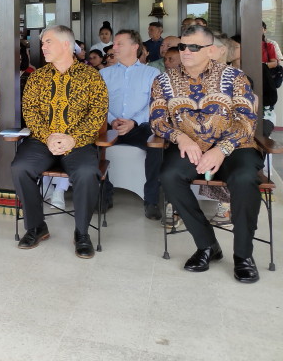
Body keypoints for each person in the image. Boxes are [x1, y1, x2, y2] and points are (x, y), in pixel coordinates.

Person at [151, 25, 263, 283]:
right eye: (182, 46)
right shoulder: (163, 80)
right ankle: (207, 245)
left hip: (235, 147)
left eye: (194, 47)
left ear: (211, 50)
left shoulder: (234, 77)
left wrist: (221, 149)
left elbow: (247, 120)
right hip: (189, 146)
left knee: (244, 178)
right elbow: (157, 120)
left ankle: (243, 255)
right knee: (169, 176)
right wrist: (180, 138)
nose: (186, 51)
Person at [11, 25, 108, 259]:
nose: (43, 47)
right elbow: (30, 111)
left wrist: (73, 138)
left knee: (87, 173)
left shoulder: (91, 76)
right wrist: (49, 136)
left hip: (78, 142)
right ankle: (36, 227)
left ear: (66, 44)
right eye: (42, 43)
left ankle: (82, 233)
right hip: (42, 140)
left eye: (48, 42)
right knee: (20, 167)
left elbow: (98, 113)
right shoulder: (38, 77)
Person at [100, 30, 162, 218]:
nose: (114, 47)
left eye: (119, 43)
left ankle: (151, 200)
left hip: (140, 127)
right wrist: (112, 120)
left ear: (135, 47)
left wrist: (133, 122)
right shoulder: (104, 73)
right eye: (114, 44)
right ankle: (104, 195)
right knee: (88, 143)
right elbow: (98, 104)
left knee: (157, 144)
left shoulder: (151, 73)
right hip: (111, 126)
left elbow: (155, 103)